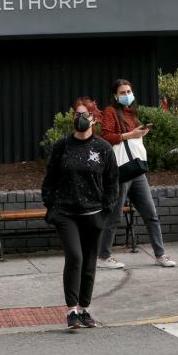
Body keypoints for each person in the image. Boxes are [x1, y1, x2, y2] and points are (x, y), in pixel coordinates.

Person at [41, 97, 118, 329]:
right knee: (75, 256)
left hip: (93, 213)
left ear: (93, 118)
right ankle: (71, 310)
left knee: (89, 261)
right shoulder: (62, 147)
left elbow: (112, 183)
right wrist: (51, 206)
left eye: (84, 114)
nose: (79, 118)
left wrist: (105, 211)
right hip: (66, 213)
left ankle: (84, 309)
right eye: (76, 114)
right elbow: (50, 180)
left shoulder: (103, 148)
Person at [98, 79, 177, 269]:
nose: (127, 95)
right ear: (115, 95)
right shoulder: (111, 112)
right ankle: (104, 256)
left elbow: (132, 135)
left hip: (136, 169)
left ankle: (160, 254)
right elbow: (106, 137)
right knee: (114, 215)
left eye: (129, 91)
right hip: (122, 169)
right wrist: (128, 135)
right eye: (123, 92)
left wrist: (140, 133)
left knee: (151, 214)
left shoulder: (132, 112)